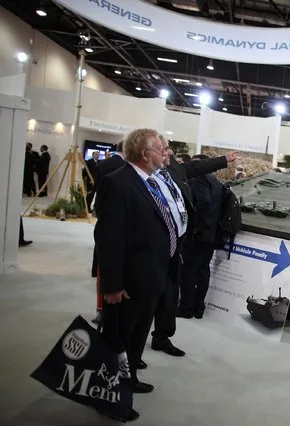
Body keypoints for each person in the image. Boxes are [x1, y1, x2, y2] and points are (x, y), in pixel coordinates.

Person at [95, 128, 171, 421]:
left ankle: (131, 380)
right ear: (144, 154)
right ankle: (108, 399)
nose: (162, 153)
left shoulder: (151, 182)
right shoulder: (118, 184)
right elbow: (108, 240)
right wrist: (112, 286)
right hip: (128, 283)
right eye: (158, 149)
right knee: (117, 342)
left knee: (136, 340)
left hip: (151, 277)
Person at [149, 136, 236, 358]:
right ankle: (131, 351)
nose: (168, 153)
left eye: (168, 149)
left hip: (176, 245)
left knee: (171, 292)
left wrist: (224, 159)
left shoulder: (175, 171)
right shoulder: (141, 178)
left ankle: (162, 336)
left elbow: (197, 166)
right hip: (150, 248)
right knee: (145, 299)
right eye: (163, 149)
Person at [177, 154, 226, 319]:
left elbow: (203, 202)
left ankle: (186, 308)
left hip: (199, 234)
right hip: (211, 235)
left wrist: (196, 226)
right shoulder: (216, 182)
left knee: (188, 271)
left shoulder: (199, 179)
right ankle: (199, 308)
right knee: (203, 270)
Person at [91, 141, 126, 325]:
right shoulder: (126, 170)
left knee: (102, 272)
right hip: (118, 226)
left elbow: (98, 190)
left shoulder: (103, 164)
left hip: (103, 217)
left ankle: (99, 310)